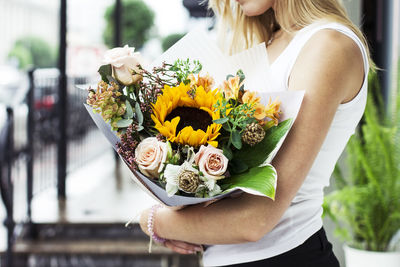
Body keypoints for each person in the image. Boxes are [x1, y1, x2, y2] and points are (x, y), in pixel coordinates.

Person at [139, 0, 372, 266]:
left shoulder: (327, 45)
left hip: (286, 257)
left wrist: (153, 220)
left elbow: (255, 219)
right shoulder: (270, 43)